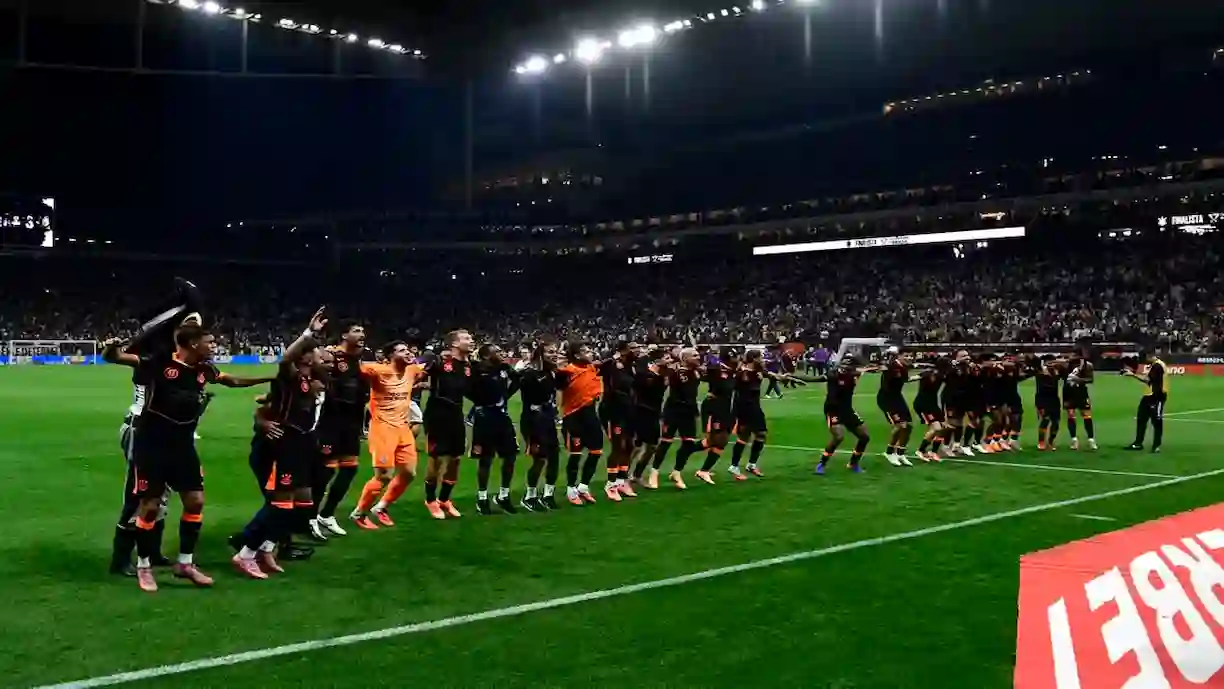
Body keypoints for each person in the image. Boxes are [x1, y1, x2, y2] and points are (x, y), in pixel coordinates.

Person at [102, 324, 273, 592]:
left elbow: (232, 380)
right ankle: (144, 566)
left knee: (195, 501)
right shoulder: (159, 363)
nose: (214, 346)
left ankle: (185, 563)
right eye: (210, 341)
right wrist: (112, 347)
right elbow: (116, 358)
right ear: (193, 344)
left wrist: (268, 378)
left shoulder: (204, 369)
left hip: (182, 446)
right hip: (152, 445)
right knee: (149, 506)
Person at [110, 280, 204, 577]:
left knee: (160, 494)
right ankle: (120, 559)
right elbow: (149, 336)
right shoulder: (152, 360)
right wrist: (187, 304)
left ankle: (151, 551)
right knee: (139, 496)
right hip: (141, 430)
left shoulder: (176, 362)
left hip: (165, 434)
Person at [232, 315, 327, 579]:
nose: (321, 354)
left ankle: (266, 548)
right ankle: (245, 553)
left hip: (298, 446)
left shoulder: (308, 380)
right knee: (280, 503)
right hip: (282, 445)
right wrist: (308, 333)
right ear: (306, 357)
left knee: (294, 503)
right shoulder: (289, 376)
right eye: (316, 351)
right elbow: (285, 360)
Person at [349, 340, 426, 529]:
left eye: (408, 350)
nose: (407, 353)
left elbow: (431, 365)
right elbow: (354, 368)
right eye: (402, 350)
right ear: (390, 356)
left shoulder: (412, 370)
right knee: (384, 475)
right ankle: (359, 513)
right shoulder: (379, 371)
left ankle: (381, 507)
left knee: (409, 473)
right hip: (382, 429)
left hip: (403, 429)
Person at [310, 321, 369, 538]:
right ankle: (309, 517)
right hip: (331, 422)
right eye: (356, 331)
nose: (362, 334)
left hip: (352, 424)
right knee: (325, 472)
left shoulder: (358, 359)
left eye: (362, 331)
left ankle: (326, 515)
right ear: (344, 335)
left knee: (349, 469)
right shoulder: (331, 356)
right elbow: (311, 369)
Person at [422, 330, 475, 519]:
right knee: (436, 459)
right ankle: (430, 500)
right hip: (437, 415)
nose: (471, 341)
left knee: (455, 459)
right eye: (466, 338)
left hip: (456, 414)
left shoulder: (468, 366)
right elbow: (415, 373)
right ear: (454, 344)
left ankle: (444, 499)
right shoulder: (439, 361)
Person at [469, 343, 522, 515]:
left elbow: (517, 380)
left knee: (510, 456)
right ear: (486, 355)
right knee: (486, 459)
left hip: (502, 417)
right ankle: (482, 498)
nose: (502, 353)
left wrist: (506, 395)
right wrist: (479, 401)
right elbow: (466, 388)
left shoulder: (504, 368)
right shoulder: (477, 369)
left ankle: (503, 495)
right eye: (497, 351)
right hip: (484, 418)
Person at [727, 349, 796, 479]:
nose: (763, 360)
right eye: (761, 357)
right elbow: (734, 391)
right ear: (754, 359)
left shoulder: (759, 371)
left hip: (755, 408)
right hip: (745, 408)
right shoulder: (742, 374)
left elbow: (771, 375)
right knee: (747, 436)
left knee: (759, 435)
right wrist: (736, 412)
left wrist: (784, 377)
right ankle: (734, 466)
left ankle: (750, 464)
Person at [557, 342, 605, 504]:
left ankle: (583, 487)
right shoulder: (567, 371)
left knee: (596, 451)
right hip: (573, 417)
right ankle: (571, 489)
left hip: (590, 414)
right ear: (577, 355)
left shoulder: (591, 368)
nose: (590, 353)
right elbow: (558, 386)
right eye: (586, 351)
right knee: (575, 454)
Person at [649, 347, 704, 490]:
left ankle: (677, 472)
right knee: (665, 443)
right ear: (685, 358)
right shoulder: (676, 373)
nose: (698, 357)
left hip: (689, 412)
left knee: (688, 443)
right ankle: (654, 472)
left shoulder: (696, 372)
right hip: (673, 412)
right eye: (694, 355)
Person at [518, 339, 562, 511]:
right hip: (533, 421)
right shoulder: (530, 374)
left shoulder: (552, 372)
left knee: (554, 457)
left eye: (555, 351)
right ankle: (529, 496)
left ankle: (548, 495)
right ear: (541, 354)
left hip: (547, 419)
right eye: (550, 352)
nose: (554, 354)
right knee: (540, 458)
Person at [815, 355, 877, 475]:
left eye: (848, 364)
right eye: (844, 363)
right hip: (833, 409)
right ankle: (822, 463)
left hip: (847, 410)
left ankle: (853, 463)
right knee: (839, 436)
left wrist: (876, 368)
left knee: (864, 437)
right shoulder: (833, 374)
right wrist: (792, 377)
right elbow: (815, 378)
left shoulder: (854, 374)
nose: (845, 366)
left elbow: (868, 369)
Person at [598, 341, 639, 499]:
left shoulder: (631, 365)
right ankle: (611, 484)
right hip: (613, 411)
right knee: (618, 446)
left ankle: (622, 481)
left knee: (629, 445)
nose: (637, 350)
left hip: (628, 410)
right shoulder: (612, 365)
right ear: (623, 351)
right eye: (633, 348)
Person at [694, 347, 739, 484]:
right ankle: (702, 469)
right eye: (735, 357)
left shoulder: (731, 371)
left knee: (714, 442)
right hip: (714, 410)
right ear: (729, 358)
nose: (737, 359)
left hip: (725, 410)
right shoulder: (716, 370)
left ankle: (690, 456)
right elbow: (703, 374)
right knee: (720, 440)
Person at [629, 346, 669, 487]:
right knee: (636, 445)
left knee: (652, 446)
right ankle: (622, 476)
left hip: (654, 413)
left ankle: (637, 475)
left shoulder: (663, 374)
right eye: (666, 358)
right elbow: (637, 388)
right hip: (641, 412)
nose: (669, 360)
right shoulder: (644, 374)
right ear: (657, 360)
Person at [876, 347, 917, 467]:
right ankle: (889, 452)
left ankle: (900, 453)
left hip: (897, 398)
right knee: (900, 425)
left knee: (909, 426)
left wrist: (921, 375)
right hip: (887, 399)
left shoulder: (903, 367)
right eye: (906, 355)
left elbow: (905, 379)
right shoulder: (891, 366)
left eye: (911, 356)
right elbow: (882, 368)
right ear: (899, 356)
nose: (909, 358)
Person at [1124, 346, 1169, 453]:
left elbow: (1147, 380)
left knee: (1156, 421)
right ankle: (1138, 443)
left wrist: (1132, 375)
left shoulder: (1157, 366)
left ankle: (1156, 445)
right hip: (1149, 396)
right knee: (1141, 419)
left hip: (1157, 396)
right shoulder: (1154, 365)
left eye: (1145, 357)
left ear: (1149, 355)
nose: (1145, 360)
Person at [912, 359, 947, 463]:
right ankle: (920, 450)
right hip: (923, 405)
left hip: (933, 405)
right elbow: (913, 378)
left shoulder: (942, 376)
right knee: (936, 428)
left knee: (942, 428)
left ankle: (933, 452)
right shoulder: (927, 373)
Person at [1062, 348, 1097, 451]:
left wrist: (1078, 380)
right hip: (1068, 393)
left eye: (1074, 355)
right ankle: (1074, 440)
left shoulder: (1087, 365)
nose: (1071, 357)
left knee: (1087, 416)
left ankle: (1091, 439)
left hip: (1081, 393)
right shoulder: (1066, 365)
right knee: (1071, 416)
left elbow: (1090, 380)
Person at [1033, 356, 1063, 451]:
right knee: (1045, 420)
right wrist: (1039, 405)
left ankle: (1050, 441)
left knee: (1056, 422)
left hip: (1054, 400)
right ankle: (1041, 442)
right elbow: (1045, 387)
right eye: (1050, 362)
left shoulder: (1056, 371)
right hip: (1043, 399)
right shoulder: (1041, 372)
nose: (1052, 364)